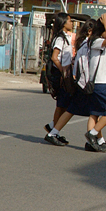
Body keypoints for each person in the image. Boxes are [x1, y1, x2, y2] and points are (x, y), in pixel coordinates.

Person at [46, 14, 106, 152]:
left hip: (89, 82)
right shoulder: (95, 42)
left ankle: (95, 141)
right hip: (92, 82)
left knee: (91, 111)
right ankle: (91, 135)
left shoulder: (100, 41)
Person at [43, 12, 75, 144]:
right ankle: (53, 132)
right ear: (63, 23)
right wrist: (63, 70)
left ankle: (53, 127)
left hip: (65, 73)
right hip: (60, 75)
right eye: (69, 21)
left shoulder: (66, 37)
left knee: (64, 104)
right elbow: (54, 57)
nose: (72, 23)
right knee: (62, 105)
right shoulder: (60, 38)